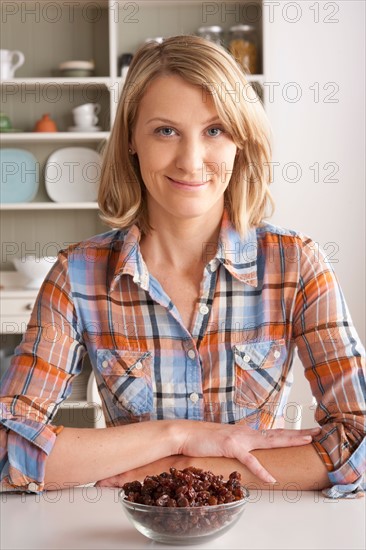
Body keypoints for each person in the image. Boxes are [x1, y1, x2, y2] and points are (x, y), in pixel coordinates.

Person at [0, 36, 364, 497]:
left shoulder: (297, 264)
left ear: (240, 140)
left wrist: (187, 465)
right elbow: (7, 448)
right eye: (165, 131)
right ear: (132, 139)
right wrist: (176, 436)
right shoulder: (76, 276)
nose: (192, 162)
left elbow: (359, 441)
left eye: (214, 130)